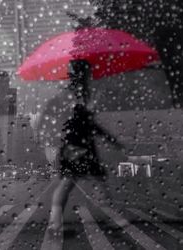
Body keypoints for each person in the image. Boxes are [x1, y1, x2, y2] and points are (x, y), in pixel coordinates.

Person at [47, 59, 123, 235]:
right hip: (78, 147)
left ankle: (55, 224)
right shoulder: (77, 94)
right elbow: (84, 122)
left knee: (75, 183)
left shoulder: (73, 93)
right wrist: (110, 138)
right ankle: (114, 219)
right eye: (88, 71)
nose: (91, 74)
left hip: (75, 146)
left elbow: (81, 122)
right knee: (94, 180)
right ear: (83, 73)